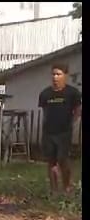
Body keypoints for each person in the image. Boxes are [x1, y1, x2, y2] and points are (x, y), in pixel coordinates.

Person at [38, 63, 82, 195]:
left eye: (58, 74)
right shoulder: (45, 93)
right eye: (53, 74)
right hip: (48, 132)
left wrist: (71, 124)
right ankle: (54, 190)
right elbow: (45, 112)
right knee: (51, 161)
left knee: (63, 160)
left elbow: (78, 111)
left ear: (65, 75)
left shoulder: (72, 93)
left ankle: (67, 187)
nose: (55, 77)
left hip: (64, 132)